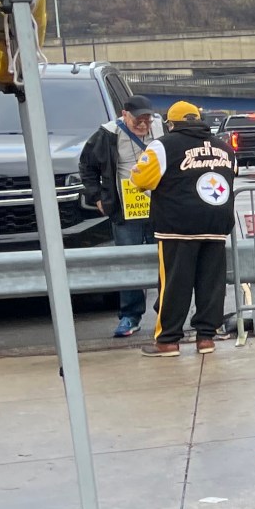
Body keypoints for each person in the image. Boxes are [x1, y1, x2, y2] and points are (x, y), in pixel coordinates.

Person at [132, 101, 236, 357]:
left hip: (178, 225)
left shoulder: (163, 146)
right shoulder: (224, 147)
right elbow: (232, 174)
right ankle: (206, 339)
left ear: (171, 123)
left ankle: (168, 341)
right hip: (216, 223)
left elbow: (141, 180)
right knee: (211, 284)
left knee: (175, 284)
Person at [79, 95, 158, 339]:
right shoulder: (108, 134)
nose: (144, 126)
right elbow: (87, 166)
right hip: (126, 207)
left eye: (148, 120)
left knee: (165, 261)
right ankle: (130, 315)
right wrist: (98, 198)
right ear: (125, 115)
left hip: (159, 205)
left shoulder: (162, 131)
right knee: (129, 261)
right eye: (139, 121)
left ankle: (166, 313)